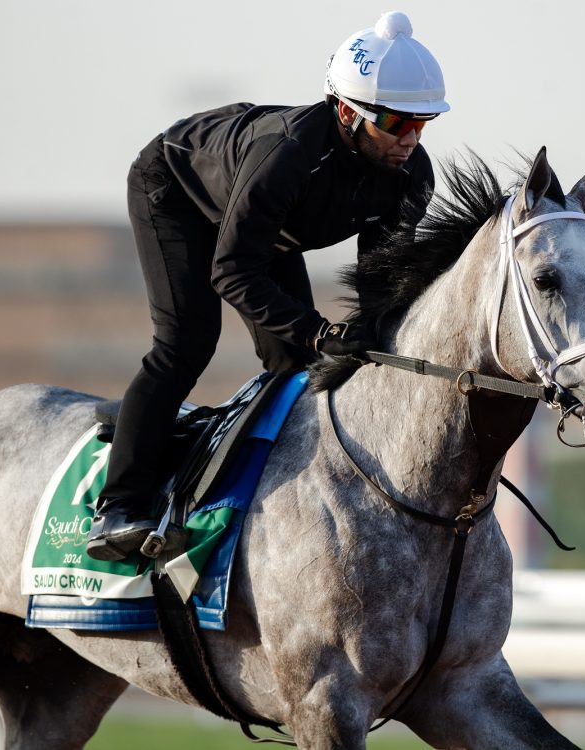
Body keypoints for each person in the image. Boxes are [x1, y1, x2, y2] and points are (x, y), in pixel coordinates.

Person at [86, 11, 449, 562]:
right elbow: (231, 271)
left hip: (266, 231)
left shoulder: (411, 176)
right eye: (398, 123)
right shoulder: (288, 156)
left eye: (423, 123)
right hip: (178, 193)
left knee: (294, 369)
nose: (411, 140)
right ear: (347, 112)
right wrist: (319, 330)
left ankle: (219, 465)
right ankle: (120, 506)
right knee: (187, 342)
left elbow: (379, 286)